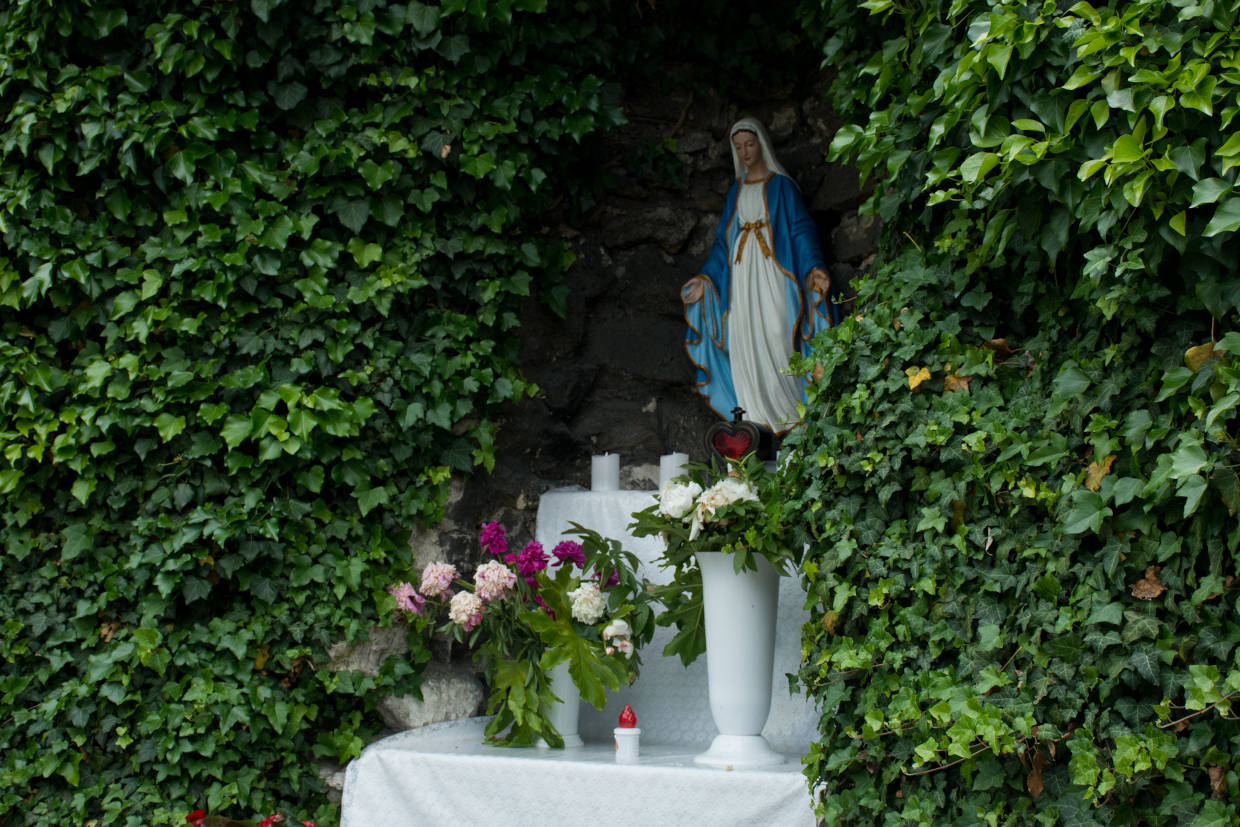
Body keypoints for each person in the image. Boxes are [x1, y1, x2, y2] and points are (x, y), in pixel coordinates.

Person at [682, 117, 836, 435]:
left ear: (762, 144)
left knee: (780, 331)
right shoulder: (735, 191)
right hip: (742, 277)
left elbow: (801, 230)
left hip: (776, 273)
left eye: (750, 144)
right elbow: (723, 245)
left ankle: (793, 416)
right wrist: (704, 279)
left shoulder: (782, 187)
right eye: (738, 147)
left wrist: (814, 266)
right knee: (744, 339)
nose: (745, 152)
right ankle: (754, 420)